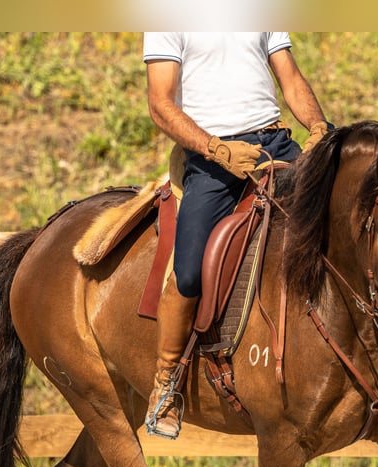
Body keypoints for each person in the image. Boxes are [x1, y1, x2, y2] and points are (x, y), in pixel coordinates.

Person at [142, 32, 332, 439]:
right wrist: (215, 149)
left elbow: (292, 80)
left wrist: (318, 127)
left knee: (336, 226)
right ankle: (167, 381)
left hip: (276, 142)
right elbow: (160, 104)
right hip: (213, 158)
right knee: (189, 272)